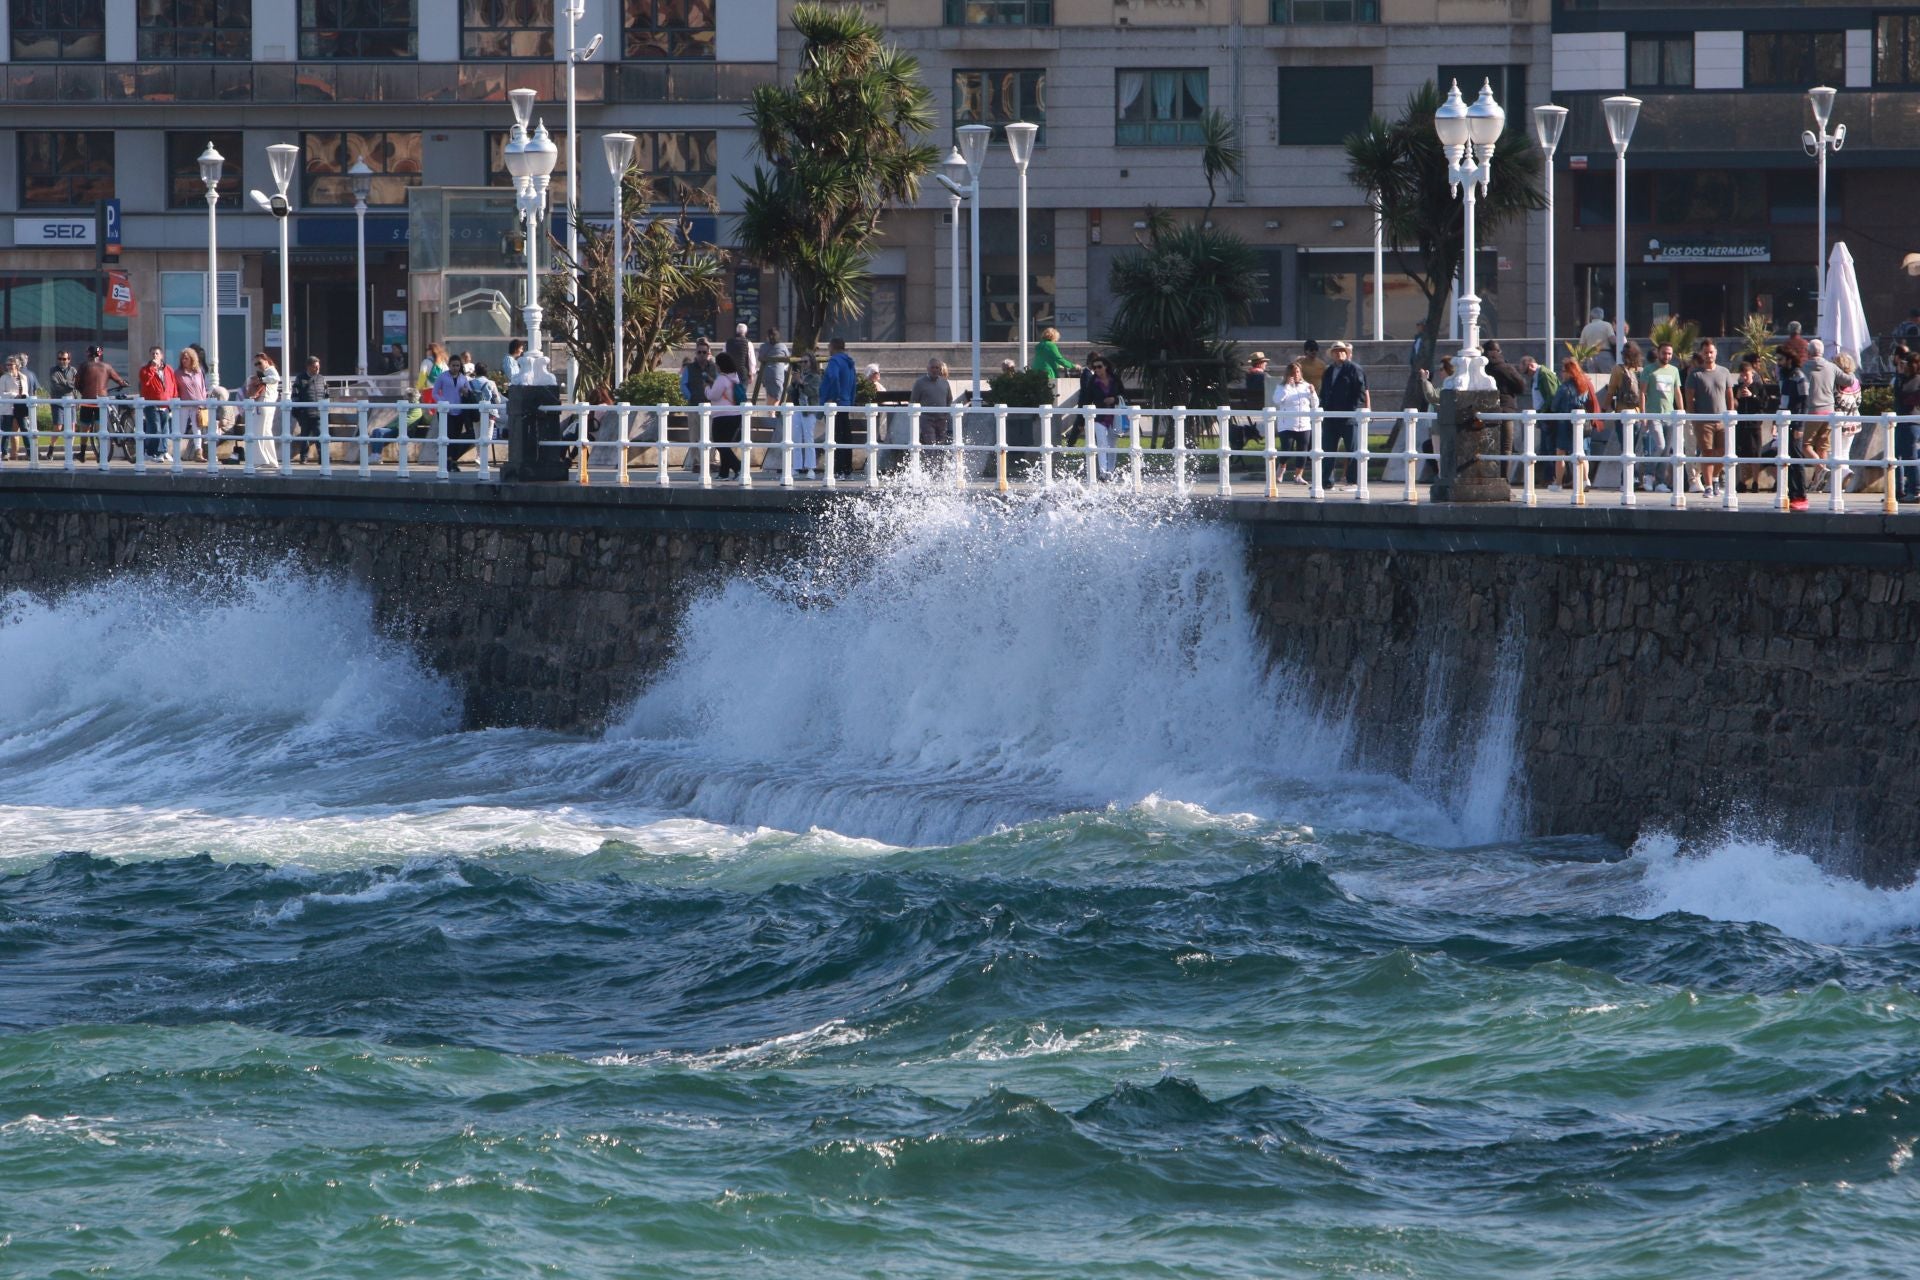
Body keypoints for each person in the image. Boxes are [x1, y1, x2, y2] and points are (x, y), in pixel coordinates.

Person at [1685, 339, 1735, 498]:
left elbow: (1729, 395)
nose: (1708, 355)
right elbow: (1689, 398)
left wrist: (1731, 413)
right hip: (1703, 420)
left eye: (1711, 352)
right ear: (1701, 353)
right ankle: (1707, 486)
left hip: (1722, 419)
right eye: (1705, 352)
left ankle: (1714, 478)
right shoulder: (1695, 374)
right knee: (1707, 452)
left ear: (1716, 353)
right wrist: (1693, 418)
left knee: (1723, 452)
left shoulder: (1724, 372)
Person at [1318, 340, 1369, 491]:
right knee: (1328, 449)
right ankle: (1326, 482)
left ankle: (1353, 481)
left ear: (1346, 353)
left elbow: (1360, 391)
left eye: (1342, 350)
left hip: (1348, 417)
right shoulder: (1328, 371)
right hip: (1330, 416)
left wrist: (1351, 409)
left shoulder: (1354, 369)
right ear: (1332, 354)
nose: (1339, 353)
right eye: (1336, 351)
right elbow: (1325, 391)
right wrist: (1323, 407)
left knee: (1352, 449)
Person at [1546, 358, 1599, 492]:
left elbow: (1554, 406)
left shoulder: (1564, 388)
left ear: (1570, 372)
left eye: (1563, 371)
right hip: (1581, 425)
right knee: (1582, 453)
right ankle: (1586, 479)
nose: (1561, 373)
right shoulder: (1584, 385)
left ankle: (1558, 484)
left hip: (1565, 424)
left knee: (1561, 454)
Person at [1639, 342, 1682, 493]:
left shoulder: (1674, 370)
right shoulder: (1649, 370)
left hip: (1670, 414)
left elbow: (1677, 392)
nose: (1667, 356)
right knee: (1660, 445)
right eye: (1664, 353)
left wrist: (1681, 411)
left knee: (1666, 450)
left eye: (1669, 353)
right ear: (1658, 353)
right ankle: (1649, 475)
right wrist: (1643, 414)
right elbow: (1642, 393)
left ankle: (1660, 482)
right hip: (1654, 414)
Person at [1271, 359, 1319, 485]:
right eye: (1292, 372)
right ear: (1288, 374)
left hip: (1304, 424)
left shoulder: (1306, 386)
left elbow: (1315, 404)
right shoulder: (1281, 387)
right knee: (1287, 448)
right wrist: (1287, 385)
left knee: (1303, 451)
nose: (1295, 374)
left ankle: (1298, 475)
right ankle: (1281, 468)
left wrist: (1313, 393)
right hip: (1287, 424)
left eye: (1297, 372)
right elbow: (1277, 400)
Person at [75, 345, 126, 460]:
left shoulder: (84, 366)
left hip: (87, 400)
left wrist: (83, 391)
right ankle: (102, 454)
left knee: (85, 427)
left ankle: (82, 453)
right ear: (100, 354)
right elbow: (119, 380)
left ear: (88, 354)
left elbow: (77, 383)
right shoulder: (106, 367)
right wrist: (123, 383)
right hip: (102, 401)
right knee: (100, 427)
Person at [1079, 352, 1124, 480]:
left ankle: (1110, 471)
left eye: (1099, 366)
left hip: (1114, 416)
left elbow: (1124, 396)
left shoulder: (1115, 379)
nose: (1097, 370)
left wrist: (1114, 399)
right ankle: (1103, 472)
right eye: (1095, 368)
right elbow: (1086, 400)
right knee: (1102, 444)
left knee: (1112, 444)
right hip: (1099, 416)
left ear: (1106, 366)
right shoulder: (1092, 381)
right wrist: (1081, 421)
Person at [1777, 348, 1813, 510]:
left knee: (1796, 459)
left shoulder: (1799, 377)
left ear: (1789, 360)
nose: (1778, 364)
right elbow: (1783, 401)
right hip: (1785, 422)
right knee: (1788, 458)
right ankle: (1792, 493)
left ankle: (1800, 494)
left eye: (1781, 360)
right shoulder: (1785, 377)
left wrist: (1800, 425)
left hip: (1794, 423)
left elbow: (1805, 403)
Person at [818, 337, 858, 478]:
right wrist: (851, 401)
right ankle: (847, 470)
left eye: (829, 346)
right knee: (846, 437)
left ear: (833, 347)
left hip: (836, 404)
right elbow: (854, 382)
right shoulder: (849, 362)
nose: (828, 349)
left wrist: (832, 397)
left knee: (836, 438)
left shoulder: (835, 361)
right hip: (846, 403)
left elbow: (833, 377)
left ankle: (838, 470)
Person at [1802, 338, 1839, 490]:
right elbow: (1849, 380)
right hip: (1830, 411)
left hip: (1814, 410)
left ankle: (1821, 469)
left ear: (1809, 352)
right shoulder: (1832, 367)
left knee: (1805, 444)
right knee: (1822, 446)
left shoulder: (1804, 367)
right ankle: (1818, 481)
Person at [1732, 354, 1770, 493]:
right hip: (1741, 424)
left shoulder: (1758, 386)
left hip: (1754, 425)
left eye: (1746, 375)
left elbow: (1764, 404)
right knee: (1741, 454)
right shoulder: (1737, 387)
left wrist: (1752, 396)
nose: (1744, 378)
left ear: (1752, 374)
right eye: (1742, 375)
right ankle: (1741, 481)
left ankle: (1755, 482)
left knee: (1755, 454)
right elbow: (1733, 405)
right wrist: (1737, 397)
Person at [707, 351, 746, 479]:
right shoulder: (734, 377)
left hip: (721, 416)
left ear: (720, 365)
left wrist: (706, 388)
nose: (716, 366)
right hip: (735, 415)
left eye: (717, 364)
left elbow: (713, 395)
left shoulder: (722, 378)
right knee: (725, 444)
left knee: (719, 444)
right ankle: (724, 473)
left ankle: (738, 466)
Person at [136, 346, 178, 461]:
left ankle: (163, 451)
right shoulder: (145, 369)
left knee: (165, 430)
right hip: (151, 404)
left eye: (157, 353)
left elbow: (173, 385)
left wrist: (174, 399)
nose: (155, 355)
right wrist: (152, 369)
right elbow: (145, 381)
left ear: (161, 355)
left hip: (166, 404)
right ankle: (150, 452)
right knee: (156, 429)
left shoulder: (168, 369)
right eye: (153, 353)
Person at [243, 352, 282, 469]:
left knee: (258, 431)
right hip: (267, 404)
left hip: (264, 403)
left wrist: (260, 379)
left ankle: (261, 459)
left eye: (259, 362)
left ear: (266, 360)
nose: (258, 366)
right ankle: (271, 460)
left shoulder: (270, 370)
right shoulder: (267, 372)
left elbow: (276, 378)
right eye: (256, 364)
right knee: (266, 432)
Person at [1831, 350, 1862, 492]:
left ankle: (1842, 475)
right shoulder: (1855, 381)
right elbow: (1859, 400)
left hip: (1839, 421)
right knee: (1845, 451)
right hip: (1854, 420)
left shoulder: (1836, 382)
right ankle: (1845, 472)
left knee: (1836, 451)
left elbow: (1835, 400)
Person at [290, 355, 326, 464]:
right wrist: (297, 410)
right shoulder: (300, 378)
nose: (317, 369)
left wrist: (325, 408)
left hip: (318, 413)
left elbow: (326, 394)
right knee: (304, 435)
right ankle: (304, 457)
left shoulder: (321, 378)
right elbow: (295, 395)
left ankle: (322, 457)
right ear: (309, 367)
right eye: (315, 367)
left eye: (318, 366)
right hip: (305, 412)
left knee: (320, 435)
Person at [789, 353, 821, 479]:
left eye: (805, 362)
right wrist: (793, 383)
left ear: (812, 363)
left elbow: (813, 392)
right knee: (796, 438)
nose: (803, 364)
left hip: (809, 410)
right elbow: (790, 393)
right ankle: (796, 467)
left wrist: (801, 383)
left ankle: (810, 468)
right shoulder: (801, 375)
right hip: (798, 409)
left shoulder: (816, 377)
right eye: (801, 362)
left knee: (809, 438)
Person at [910, 358, 953, 449]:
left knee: (942, 446)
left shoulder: (945, 383)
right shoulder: (920, 383)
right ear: (928, 368)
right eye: (932, 367)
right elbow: (913, 401)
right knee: (931, 445)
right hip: (927, 420)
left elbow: (949, 399)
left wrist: (946, 414)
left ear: (940, 369)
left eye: (937, 368)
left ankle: (940, 463)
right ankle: (931, 462)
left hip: (942, 420)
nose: (934, 370)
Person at [175, 347, 208, 463]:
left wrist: (203, 402)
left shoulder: (198, 372)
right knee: (181, 428)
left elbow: (203, 388)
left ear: (192, 359)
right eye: (183, 359)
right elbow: (176, 389)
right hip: (184, 404)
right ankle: (176, 452)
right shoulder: (178, 373)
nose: (184, 361)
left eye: (186, 358)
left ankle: (198, 453)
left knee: (197, 428)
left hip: (197, 404)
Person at [1896, 350, 1920, 503]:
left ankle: (1915, 490)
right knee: (1898, 456)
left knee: (1911, 457)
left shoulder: (1916, 380)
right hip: (1901, 421)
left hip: (1912, 422)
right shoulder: (1904, 379)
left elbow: (1905, 397)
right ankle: (1900, 490)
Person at [47, 349, 76, 459]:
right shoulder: (53, 370)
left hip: (71, 402)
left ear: (69, 359)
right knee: (58, 427)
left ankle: (70, 450)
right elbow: (56, 386)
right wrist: (70, 385)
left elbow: (77, 385)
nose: (61, 361)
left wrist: (66, 384)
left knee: (72, 427)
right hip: (57, 402)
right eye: (59, 359)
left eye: (64, 359)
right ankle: (51, 448)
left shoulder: (73, 370)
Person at [0, 356, 27, 461]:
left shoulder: (23, 377)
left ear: (17, 365)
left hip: (21, 407)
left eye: (11, 364)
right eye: (7, 365)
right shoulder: (4, 378)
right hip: (8, 407)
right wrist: (14, 395)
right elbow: (1, 393)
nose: (9, 367)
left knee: (25, 429)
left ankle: (29, 451)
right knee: (6, 430)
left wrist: (25, 397)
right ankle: (4, 453)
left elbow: (26, 391)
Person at [756, 328, 790, 405]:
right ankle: (772, 413)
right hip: (777, 374)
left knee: (770, 394)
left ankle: (770, 413)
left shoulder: (763, 346)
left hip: (765, 373)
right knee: (778, 395)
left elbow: (760, 358)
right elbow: (788, 357)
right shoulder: (782, 346)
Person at [724, 322, 757, 400]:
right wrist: (751, 374)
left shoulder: (728, 343)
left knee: (731, 394)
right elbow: (751, 360)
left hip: (730, 372)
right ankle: (740, 411)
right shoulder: (748, 343)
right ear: (745, 332)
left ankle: (732, 410)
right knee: (742, 393)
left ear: (736, 331)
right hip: (743, 373)